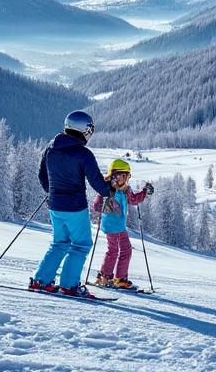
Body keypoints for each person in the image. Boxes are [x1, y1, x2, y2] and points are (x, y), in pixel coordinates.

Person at [30, 111, 113, 297]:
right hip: (75, 206)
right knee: (81, 244)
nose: (90, 133)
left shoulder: (50, 148)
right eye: (90, 129)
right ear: (83, 129)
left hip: (55, 205)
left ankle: (40, 281)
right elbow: (96, 181)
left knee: (59, 243)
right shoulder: (83, 154)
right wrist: (109, 190)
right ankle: (69, 285)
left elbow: (42, 176)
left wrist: (53, 191)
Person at [93, 159, 154, 289]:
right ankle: (104, 277)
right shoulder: (107, 189)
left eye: (127, 176)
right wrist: (105, 201)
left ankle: (120, 279)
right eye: (122, 176)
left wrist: (144, 192)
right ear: (114, 175)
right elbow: (97, 205)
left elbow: (133, 200)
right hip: (111, 226)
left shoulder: (125, 190)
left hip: (120, 227)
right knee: (113, 251)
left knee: (126, 250)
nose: (125, 179)